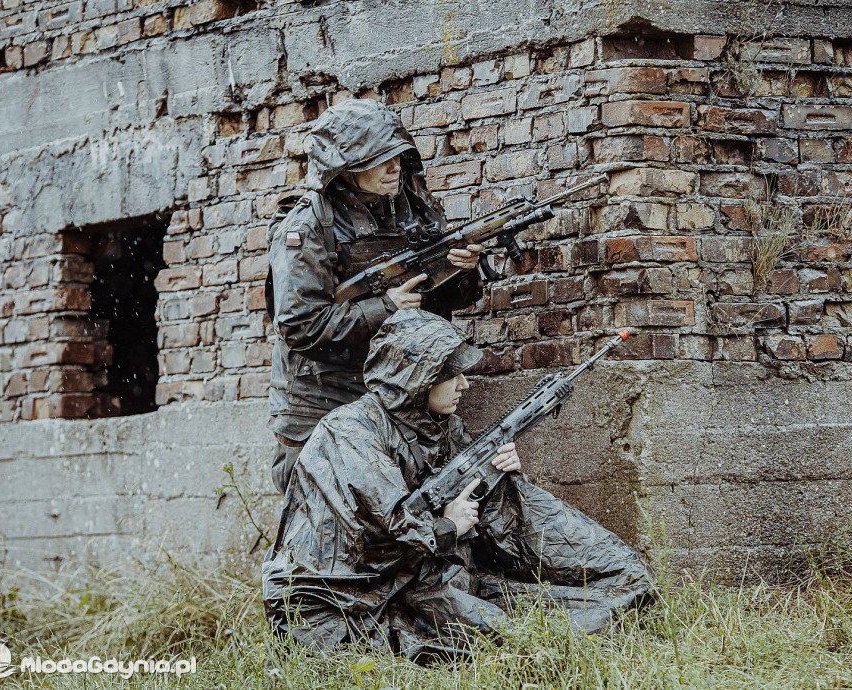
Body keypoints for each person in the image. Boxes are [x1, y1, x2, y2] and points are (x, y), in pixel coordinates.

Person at [262, 309, 656, 660]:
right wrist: (447, 526)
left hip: (432, 576)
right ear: (415, 376)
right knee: (517, 637)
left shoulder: (442, 426)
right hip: (346, 601)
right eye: (452, 375)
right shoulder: (350, 432)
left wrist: (503, 476)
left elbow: (504, 524)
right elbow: (384, 527)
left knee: (619, 588)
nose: (464, 386)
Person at [265, 98, 485, 492]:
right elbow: (299, 324)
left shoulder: (413, 211)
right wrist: (386, 308)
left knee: (398, 524)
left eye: (398, 156)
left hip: (394, 398)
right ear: (346, 168)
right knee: (320, 521)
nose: (394, 167)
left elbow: (445, 301)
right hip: (321, 401)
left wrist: (458, 269)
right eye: (379, 159)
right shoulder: (308, 226)